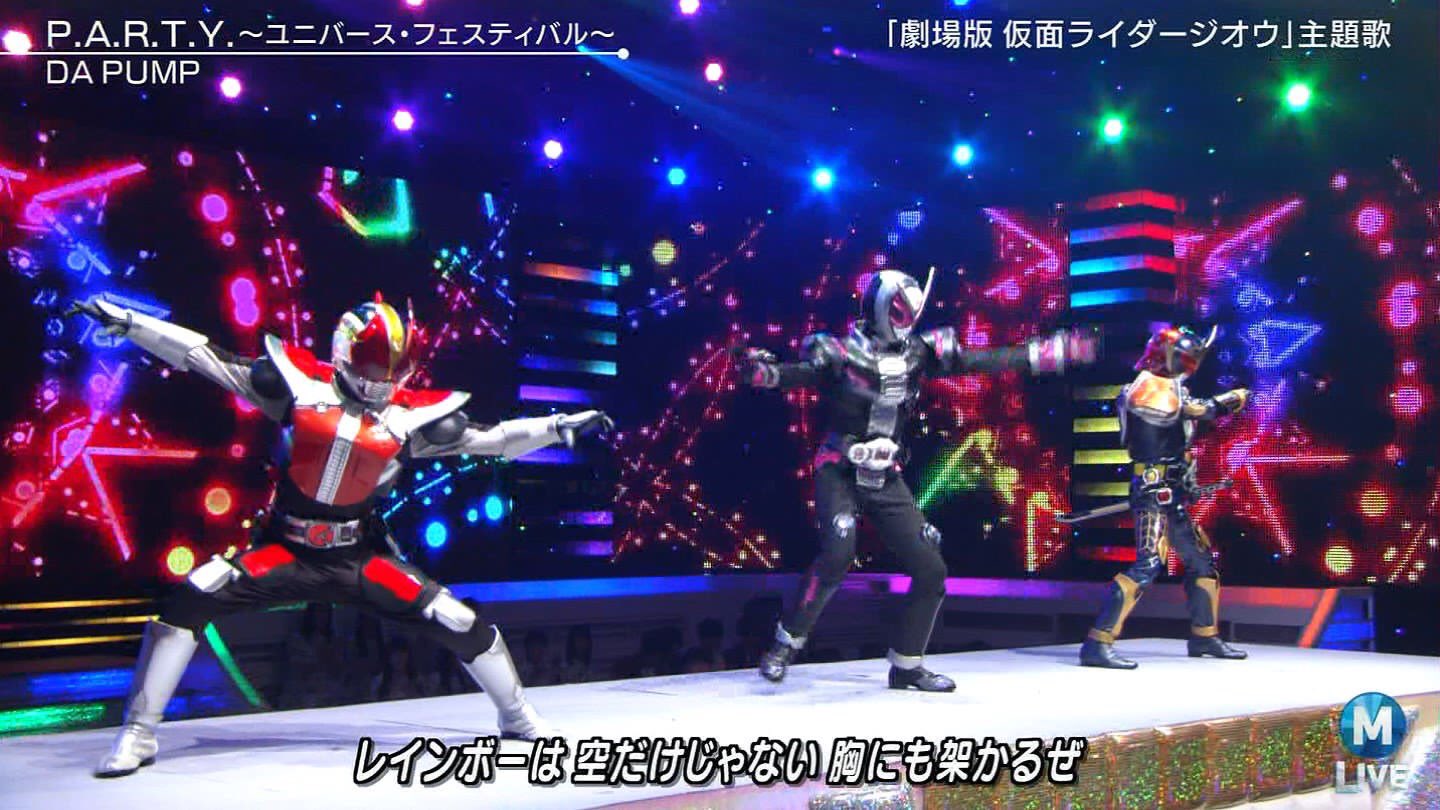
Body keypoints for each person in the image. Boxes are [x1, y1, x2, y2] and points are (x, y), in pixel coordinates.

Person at [71, 294, 613, 777]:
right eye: (372, 367)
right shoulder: (295, 388)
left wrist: (557, 426)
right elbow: (206, 358)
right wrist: (131, 322)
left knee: (456, 618)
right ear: (345, 352)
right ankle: (139, 731)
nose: (379, 382)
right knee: (192, 597)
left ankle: (518, 717)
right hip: (284, 552)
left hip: (357, 560)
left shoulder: (408, 418)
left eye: (390, 371)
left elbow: (490, 439)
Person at [734, 269, 1098, 691]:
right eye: (898, 311)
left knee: (930, 569)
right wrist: (762, 372)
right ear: (879, 308)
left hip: (886, 475)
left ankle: (907, 664)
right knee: (837, 554)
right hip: (841, 468)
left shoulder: (919, 353)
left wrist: (1044, 354)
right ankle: (785, 645)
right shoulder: (839, 353)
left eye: (910, 312)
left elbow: (982, 361)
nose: (905, 321)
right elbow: (797, 374)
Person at [1078, 324, 1249, 669]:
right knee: (1148, 562)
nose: (1191, 365)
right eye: (1188, 358)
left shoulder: (1167, 387)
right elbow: (1196, 410)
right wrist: (1230, 401)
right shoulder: (1146, 388)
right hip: (1153, 491)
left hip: (1171, 492)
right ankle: (1098, 642)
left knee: (1201, 561)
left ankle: (1205, 636)